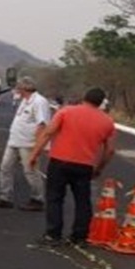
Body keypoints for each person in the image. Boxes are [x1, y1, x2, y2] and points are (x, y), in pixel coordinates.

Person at [28, 87, 116, 245]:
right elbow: (110, 151)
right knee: (83, 201)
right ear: (101, 103)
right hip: (85, 165)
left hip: (59, 161)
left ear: (84, 97)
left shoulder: (66, 112)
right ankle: (79, 236)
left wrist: (34, 154)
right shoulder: (107, 121)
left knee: (55, 198)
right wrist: (99, 168)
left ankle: (53, 234)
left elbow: (48, 133)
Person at [0, 76, 51, 211]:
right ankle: (5, 198)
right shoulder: (25, 101)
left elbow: (42, 125)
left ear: (24, 88)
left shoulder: (39, 102)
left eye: (18, 88)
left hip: (28, 143)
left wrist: (37, 148)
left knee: (30, 172)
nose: (16, 91)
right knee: (5, 168)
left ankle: (37, 199)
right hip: (14, 141)